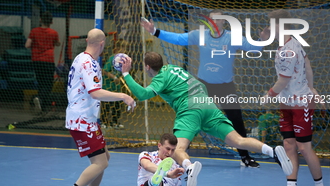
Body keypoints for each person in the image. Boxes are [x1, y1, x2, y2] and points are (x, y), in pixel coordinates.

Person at [121, 51, 293, 186]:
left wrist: (126, 74)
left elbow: (142, 94)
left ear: (147, 66)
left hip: (190, 108)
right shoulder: (173, 68)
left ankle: (189, 168)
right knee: (238, 140)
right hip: (207, 103)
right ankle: (273, 151)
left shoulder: (160, 77)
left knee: (178, 149)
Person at [140, 10, 268, 168]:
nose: (215, 23)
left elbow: (253, 48)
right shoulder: (199, 35)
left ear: (224, 22)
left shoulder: (232, 37)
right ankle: (181, 158)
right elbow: (179, 39)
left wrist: (262, 40)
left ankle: (245, 157)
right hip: (202, 87)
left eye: (218, 20)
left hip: (225, 87)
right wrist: (154, 31)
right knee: (191, 120)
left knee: (236, 121)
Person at [65, 28, 136, 186]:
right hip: (81, 121)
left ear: (87, 41)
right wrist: (123, 96)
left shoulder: (80, 58)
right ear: (102, 44)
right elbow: (95, 93)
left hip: (85, 119)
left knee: (105, 158)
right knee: (100, 163)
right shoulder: (89, 63)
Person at [262, 9, 324, 186]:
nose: (268, 27)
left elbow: (283, 80)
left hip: (300, 103)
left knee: (304, 147)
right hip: (286, 103)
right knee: (288, 144)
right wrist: (312, 86)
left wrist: (269, 95)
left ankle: (319, 184)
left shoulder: (289, 49)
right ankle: (291, 183)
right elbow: (308, 65)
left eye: (271, 24)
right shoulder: (286, 44)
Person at [25, 11, 60, 112]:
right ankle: (41, 100)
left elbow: (27, 45)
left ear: (41, 20)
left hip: (36, 61)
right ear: (51, 22)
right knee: (48, 84)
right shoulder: (53, 33)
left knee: (41, 82)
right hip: (48, 61)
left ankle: (41, 105)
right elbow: (57, 43)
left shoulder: (34, 31)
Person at [101, 40, 128, 128]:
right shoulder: (112, 58)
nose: (125, 50)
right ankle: (104, 122)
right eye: (123, 48)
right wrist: (114, 77)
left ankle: (115, 122)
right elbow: (104, 71)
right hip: (108, 86)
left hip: (116, 87)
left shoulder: (123, 60)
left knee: (116, 106)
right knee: (107, 105)